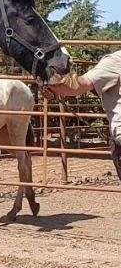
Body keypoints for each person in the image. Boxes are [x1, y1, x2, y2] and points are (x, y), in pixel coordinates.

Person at [47, 50, 121, 179]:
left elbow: (78, 86)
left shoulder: (115, 61)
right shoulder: (116, 62)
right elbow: (79, 85)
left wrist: (49, 79)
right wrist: (49, 79)